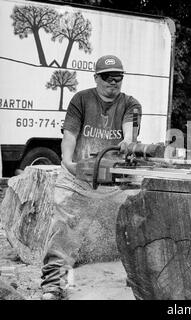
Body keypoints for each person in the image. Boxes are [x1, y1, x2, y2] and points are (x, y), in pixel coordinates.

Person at [40, 55, 142, 300]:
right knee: (63, 229)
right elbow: (70, 135)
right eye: (107, 77)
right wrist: (68, 161)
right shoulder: (81, 100)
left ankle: (140, 280)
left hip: (115, 181)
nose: (113, 82)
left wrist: (128, 142)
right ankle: (53, 285)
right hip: (78, 178)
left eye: (118, 77)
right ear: (96, 77)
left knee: (137, 223)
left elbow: (130, 133)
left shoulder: (131, 104)